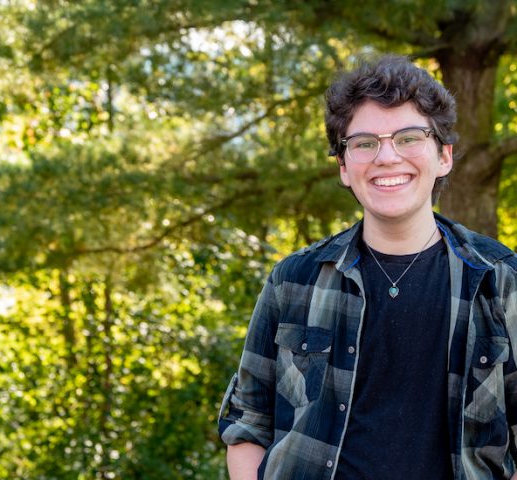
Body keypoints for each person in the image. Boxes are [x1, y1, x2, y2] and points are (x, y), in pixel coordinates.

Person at [217, 54, 517, 480]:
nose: (387, 157)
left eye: (409, 137)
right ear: (343, 166)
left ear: (444, 156)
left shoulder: (500, 281)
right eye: (365, 143)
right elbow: (248, 422)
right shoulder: (294, 280)